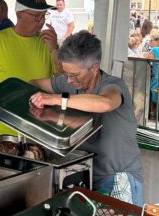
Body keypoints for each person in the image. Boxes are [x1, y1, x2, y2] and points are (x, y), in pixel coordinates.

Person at [30, 32, 144, 205]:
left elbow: (106, 103)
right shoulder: (70, 83)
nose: (69, 80)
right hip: (86, 175)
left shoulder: (113, 85)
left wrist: (57, 99)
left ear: (94, 68)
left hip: (117, 177)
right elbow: (34, 83)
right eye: (66, 74)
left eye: (75, 75)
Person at [0, 0, 58, 136]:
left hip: (42, 130)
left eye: (44, 15)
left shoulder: (47, 43)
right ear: (19, 14)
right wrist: (8, 100)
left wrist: (55, 50)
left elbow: (62, 80)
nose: (41, 21)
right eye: (36, 16)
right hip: (6, 130)